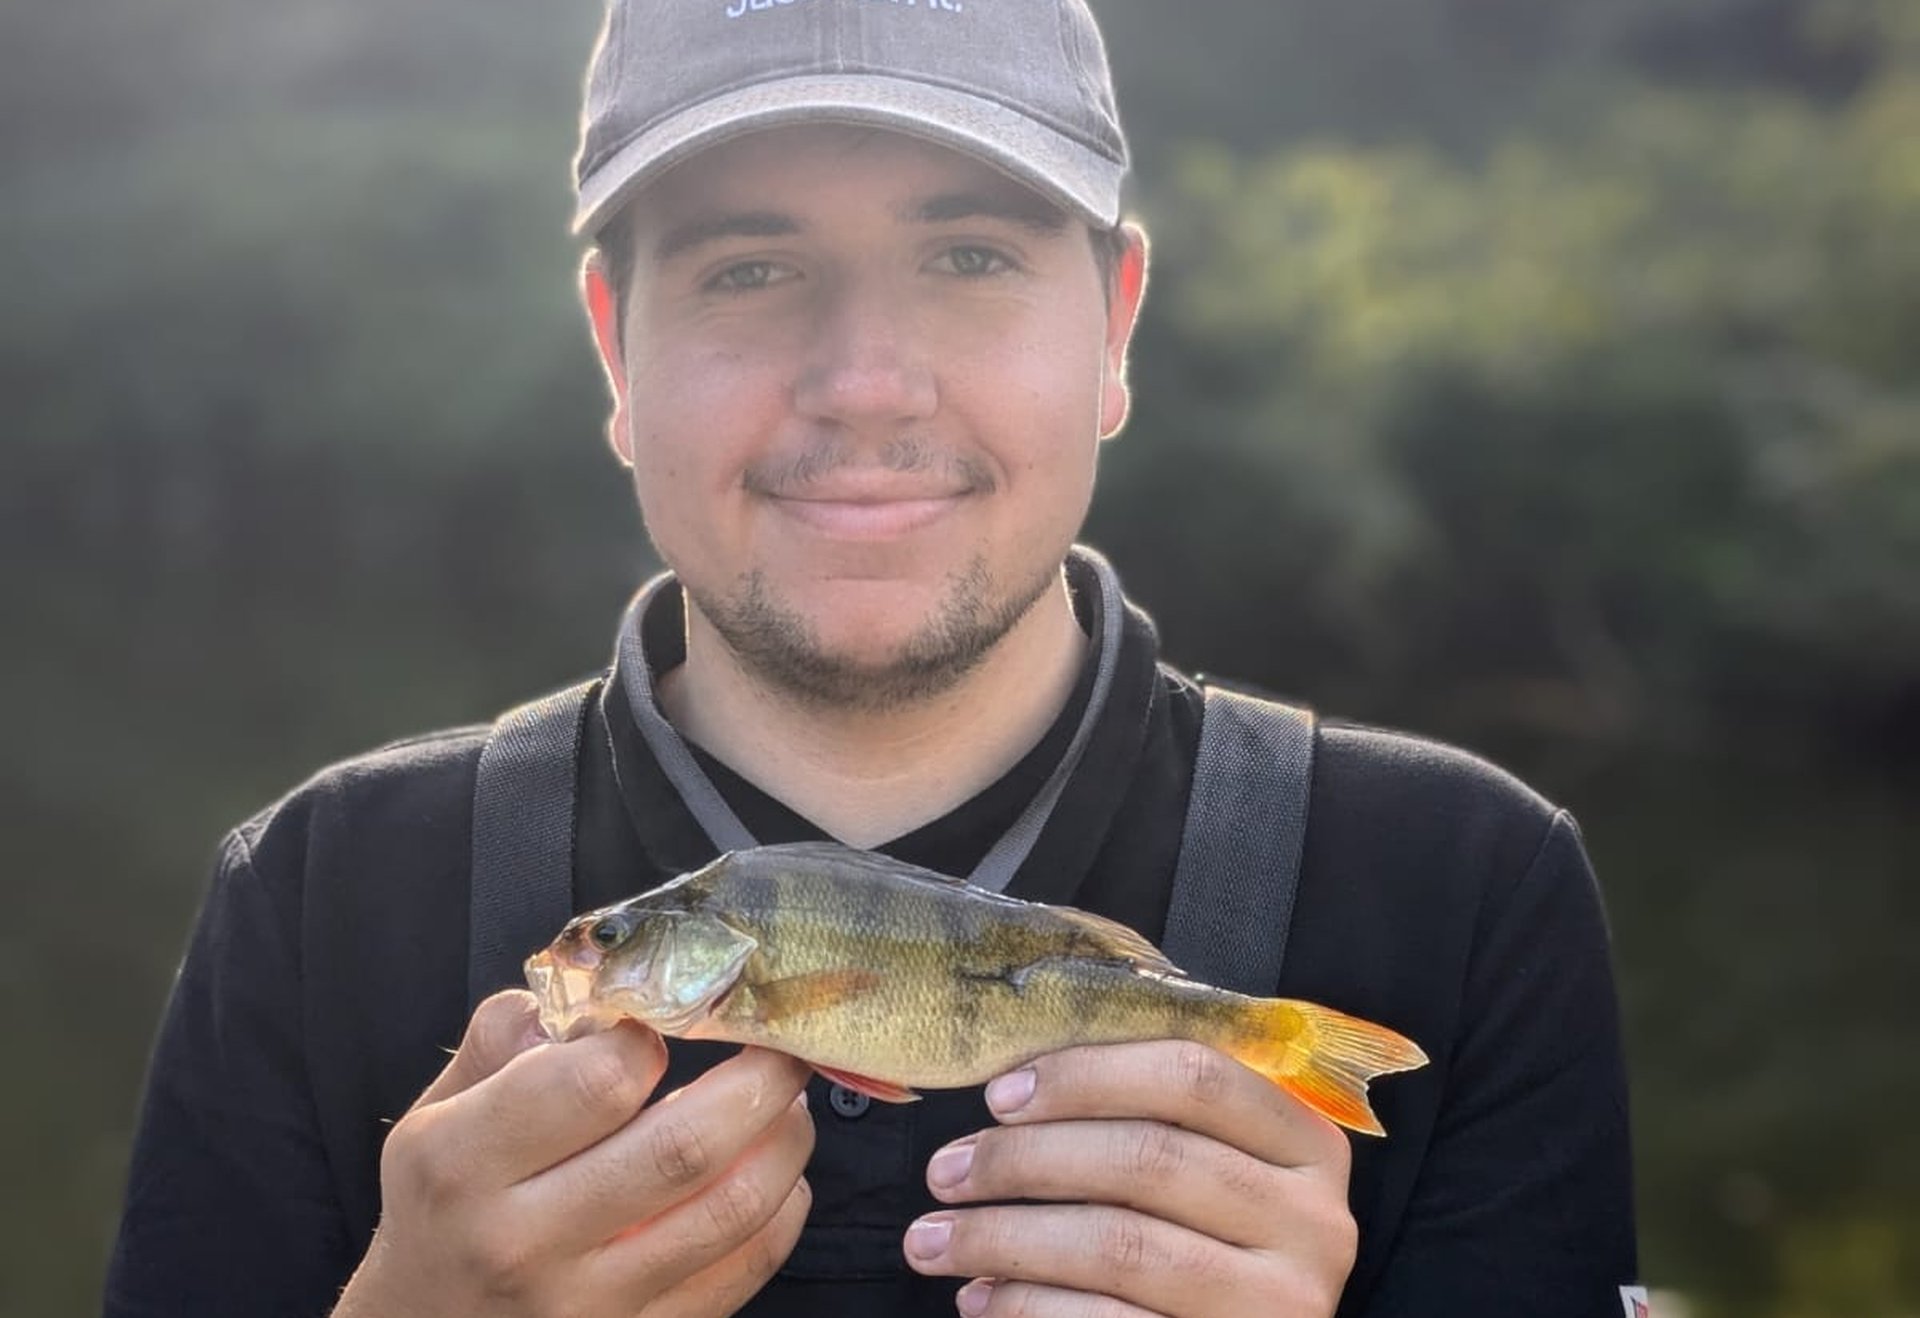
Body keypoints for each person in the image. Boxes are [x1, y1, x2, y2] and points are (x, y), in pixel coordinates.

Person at [105, 1, 1637, 1315]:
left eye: (968, 255)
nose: (863, 381)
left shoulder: (1472, 889)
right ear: (614, 352)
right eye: (749, 272)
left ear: (1114, 328)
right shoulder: (312, 894)